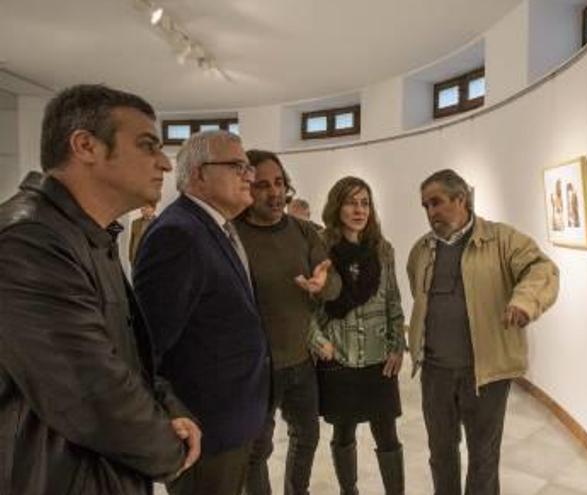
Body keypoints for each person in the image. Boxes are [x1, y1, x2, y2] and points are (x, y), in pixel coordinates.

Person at [0, 84, 200, 494]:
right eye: (148, 146)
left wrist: (169, 409)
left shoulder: (85, 234)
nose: (164, 163)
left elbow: (127, 357)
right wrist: (169, 449)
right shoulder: (29, 240)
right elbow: (90, 394)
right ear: (86, 145)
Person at [134, 130, 270, 495]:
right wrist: (174, 415)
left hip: (233, 419)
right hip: (206, 429)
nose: (250, 175)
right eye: (237, 166)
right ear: (198, 175)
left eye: (248, 167)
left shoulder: (215, 227)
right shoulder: (177, 235)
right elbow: (148, 346)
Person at [407, 169, 559, 495]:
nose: (431, 212)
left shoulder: (502, 239)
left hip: (486, 373)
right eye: (425, 206)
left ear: (460, 199)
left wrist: (524, 301)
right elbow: (417, 295)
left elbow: (542, 268)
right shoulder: (421, 250)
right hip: (435, 373)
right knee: (441, 454)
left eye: (436, 202)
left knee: (483, 457)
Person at [235, 149, 340, 495]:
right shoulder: (231, 234)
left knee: (306, 436)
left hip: (300, 361)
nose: (274, 192)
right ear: (246, 187)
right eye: (262, 185)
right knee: (256, 451)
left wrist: (324, 283)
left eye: (279, 182)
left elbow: (333, 283)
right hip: (257, 368)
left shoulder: (305, 231)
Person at [310, 176, 406, 495]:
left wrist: (397, 345)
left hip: (379, 357)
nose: (359, 209)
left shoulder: (383, 250)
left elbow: (393, 299)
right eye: (351, 202)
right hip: (339, 354)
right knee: (343, 431)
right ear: (337, 206)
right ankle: (348, 491)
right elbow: (304, 306)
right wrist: (316, 340)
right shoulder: (320, 248)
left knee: (387, 433)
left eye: (365, 202)